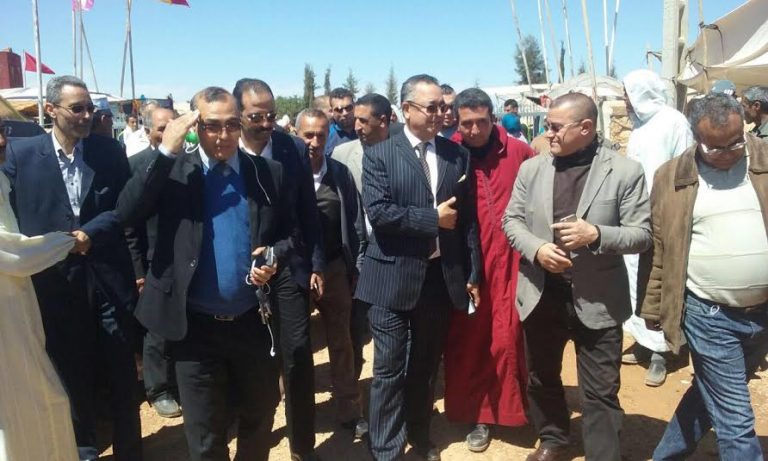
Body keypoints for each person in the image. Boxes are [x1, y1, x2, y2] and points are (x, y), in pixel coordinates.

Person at [117, 87, 286, 461]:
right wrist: (167, 151)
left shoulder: (265, 173)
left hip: (252, 323)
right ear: (194, 126)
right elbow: (127, 213)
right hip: (194, 329)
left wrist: (275, 257)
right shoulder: (174, 172)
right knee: (205, 436)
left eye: (231, 125)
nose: (223, 135)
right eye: (212, 126)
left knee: (259, 416)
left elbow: (289, 235)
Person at [502, 92, 652, 461]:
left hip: (599, 297)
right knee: (542, 376)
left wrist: (596, 235)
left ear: (585, 128)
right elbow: (512, 220)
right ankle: (554, 439)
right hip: (541, 293)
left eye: (555, 127)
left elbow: (642, 234)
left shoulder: (625, 171)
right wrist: (538, 249)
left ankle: (603, 454)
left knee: (600, 389)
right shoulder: (532, 169)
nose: (547, 133)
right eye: (547, 125)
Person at [3, 75, 142, 461]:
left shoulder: (107, 151)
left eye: (90, 108)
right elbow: (13, 218)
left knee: (121, 372)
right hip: (56, 284)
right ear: (51, 110)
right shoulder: (21, 155)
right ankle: (84, 449)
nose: (86, 116)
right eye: (77, 108)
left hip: (108, 278)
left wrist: (89, 234)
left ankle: (131, 450)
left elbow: (125, 207)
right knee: (70, 372)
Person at [356, 74, 480, 461]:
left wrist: (473, 272)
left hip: (438, 280)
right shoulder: (379, 154)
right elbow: (380, 214)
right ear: (407, 109)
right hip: (390, 278)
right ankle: (387, 449)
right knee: (389, 369)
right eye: (432, 107)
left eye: (444, 106)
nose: (441, 113)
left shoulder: (456, 155)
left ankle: (420, 435)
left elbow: (468, 220)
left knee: (425, 367)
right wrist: (431, 219)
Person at [639, 93, 768, 460]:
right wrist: (654, 305)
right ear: (696, 138)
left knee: (709, 393)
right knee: (735, 418)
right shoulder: (671, 177)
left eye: (735, 143)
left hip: (763, 312)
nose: (727, 154)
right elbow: (661, 247)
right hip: (708, 314)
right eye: (715, 148)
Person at [233, 78, 324, 461]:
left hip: (287, 263)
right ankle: (254, 441)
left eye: (271, 115)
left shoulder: (291, 148)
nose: (267, 123)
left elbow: (307, 212)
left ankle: (302, 448)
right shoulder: (224, 149)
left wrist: (313, 262)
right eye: (257, 116)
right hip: (238, 269)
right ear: (238, 114)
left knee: (298, 354)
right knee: (255, 363)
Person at [444, 88, 531, 453]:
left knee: (510, 335)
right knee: (470, 340)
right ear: (457, 122)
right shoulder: (448, 155)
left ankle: (515, 408)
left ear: (493, 118)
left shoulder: (519, 152)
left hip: (512, 261)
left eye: (482, 121)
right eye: (467, 123)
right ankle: (479, 413)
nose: (475, 130)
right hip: (468, 263)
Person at [0, 116, 79, 461]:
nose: (2, 141)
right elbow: (10, 253)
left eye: (1, 131)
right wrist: (66, 242)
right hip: (6, 323)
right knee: (35, 402)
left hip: (16, 306)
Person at [296, 109, 368, 437]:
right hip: (296, 272)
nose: (314, 142)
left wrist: (356, 265)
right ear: (297, 135)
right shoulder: (284, 173)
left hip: (335, 268)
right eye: (307, 135)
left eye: (320, 135)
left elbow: (354, 221)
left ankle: (349, 410)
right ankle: (298, 413)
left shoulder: (338, 172)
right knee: (294, 346)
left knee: (342, 341)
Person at [620, 69, 694, 387]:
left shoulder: (674, 121)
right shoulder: (639, 125)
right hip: (635, 215)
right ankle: (643, 341)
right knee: (636, 281)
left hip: (664, 213)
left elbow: (685, 169)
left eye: (626, 93)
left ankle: (661, 353)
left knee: (660, 279)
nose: (624, 100)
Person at [123, 106, 183, 419]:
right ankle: (158, 389)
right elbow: (129, 226)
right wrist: (138, 271)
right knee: (156, 327)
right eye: (162, 128)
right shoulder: (136, 165)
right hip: (153, 261)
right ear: (148, 132)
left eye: (174, 125)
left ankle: (181, 382)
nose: (169, 132)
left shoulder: (193, 164)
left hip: (186, 258)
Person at [332, 93, 392, 385]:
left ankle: (389, 383)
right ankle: (352, 389)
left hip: (392, 253)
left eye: (362, 120)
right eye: (354, 119)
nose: (355, 126)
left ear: (383, 121)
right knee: (354, 325)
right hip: (357, 255)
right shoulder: (342, 154)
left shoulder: (403, 152)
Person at [325, 87, 358, 156]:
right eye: (339, 110)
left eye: (348, 108)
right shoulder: (326, 136)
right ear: (331, 112)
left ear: (354, 106)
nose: (345, 113)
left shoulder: (365, 130)